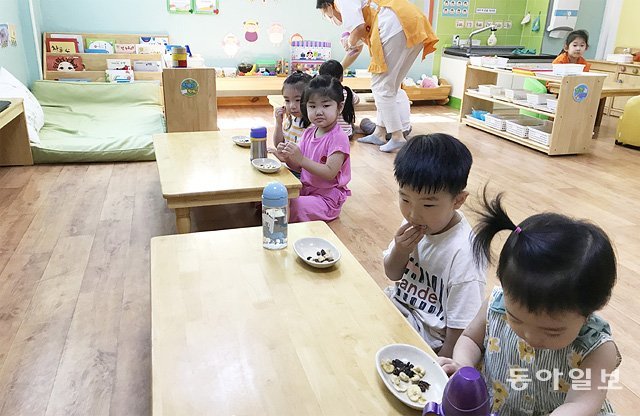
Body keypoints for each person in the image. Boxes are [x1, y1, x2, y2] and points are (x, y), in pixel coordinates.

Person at [438, 191, 621, 415]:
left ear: (588, 313)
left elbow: (582, 403)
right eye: (514, 318)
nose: (530, 337)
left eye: (552, 331)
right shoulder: (496, 305)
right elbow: (470, 340)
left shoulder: (597, 349)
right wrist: (463, 367)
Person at [383, 134, 486, 357]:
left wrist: (440, 369)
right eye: (405, 199)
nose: (412, 213)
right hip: (400, 310)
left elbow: (460, 331)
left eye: (428, 204)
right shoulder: (416, 221)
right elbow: (392, 273)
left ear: (458, 200)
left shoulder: (465, 254)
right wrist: (400, 250)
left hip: (429, 340)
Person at [316, 0, 438, 153]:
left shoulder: (341, 2)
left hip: (395, 23)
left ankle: (397, 136)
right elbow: (355, 49)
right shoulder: (357, 14)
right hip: (411, 21)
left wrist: (350, 41)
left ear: (328, 6)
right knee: (390, 86)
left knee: (381, 87)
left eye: (324, 14)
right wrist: (335, 71)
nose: (329, 18)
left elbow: (358, 31)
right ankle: (379, 133)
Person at [276, 75, 351, 222]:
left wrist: (301, 159)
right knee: (274, 195)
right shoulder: (310, 131)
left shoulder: (338, 137)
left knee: (291, 206)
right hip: (305, 190)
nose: (318, 111)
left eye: (326, 105)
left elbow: (330, 172)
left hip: (326, 199)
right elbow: (299, 167)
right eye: (312, 106)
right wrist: (287, 158)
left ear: (339, 107)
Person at [319, 59, 358, 138]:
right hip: (346, 134)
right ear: (341, 77)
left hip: (325, 134)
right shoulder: (347, 91)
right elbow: (357, 100)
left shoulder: (318, 94)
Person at [272, 71, 312, 148]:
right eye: (287, 100)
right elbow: (278, 145)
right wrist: (278, 124)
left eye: (298, 100)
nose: (292, 106)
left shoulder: (313, 126)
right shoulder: (290, 120)